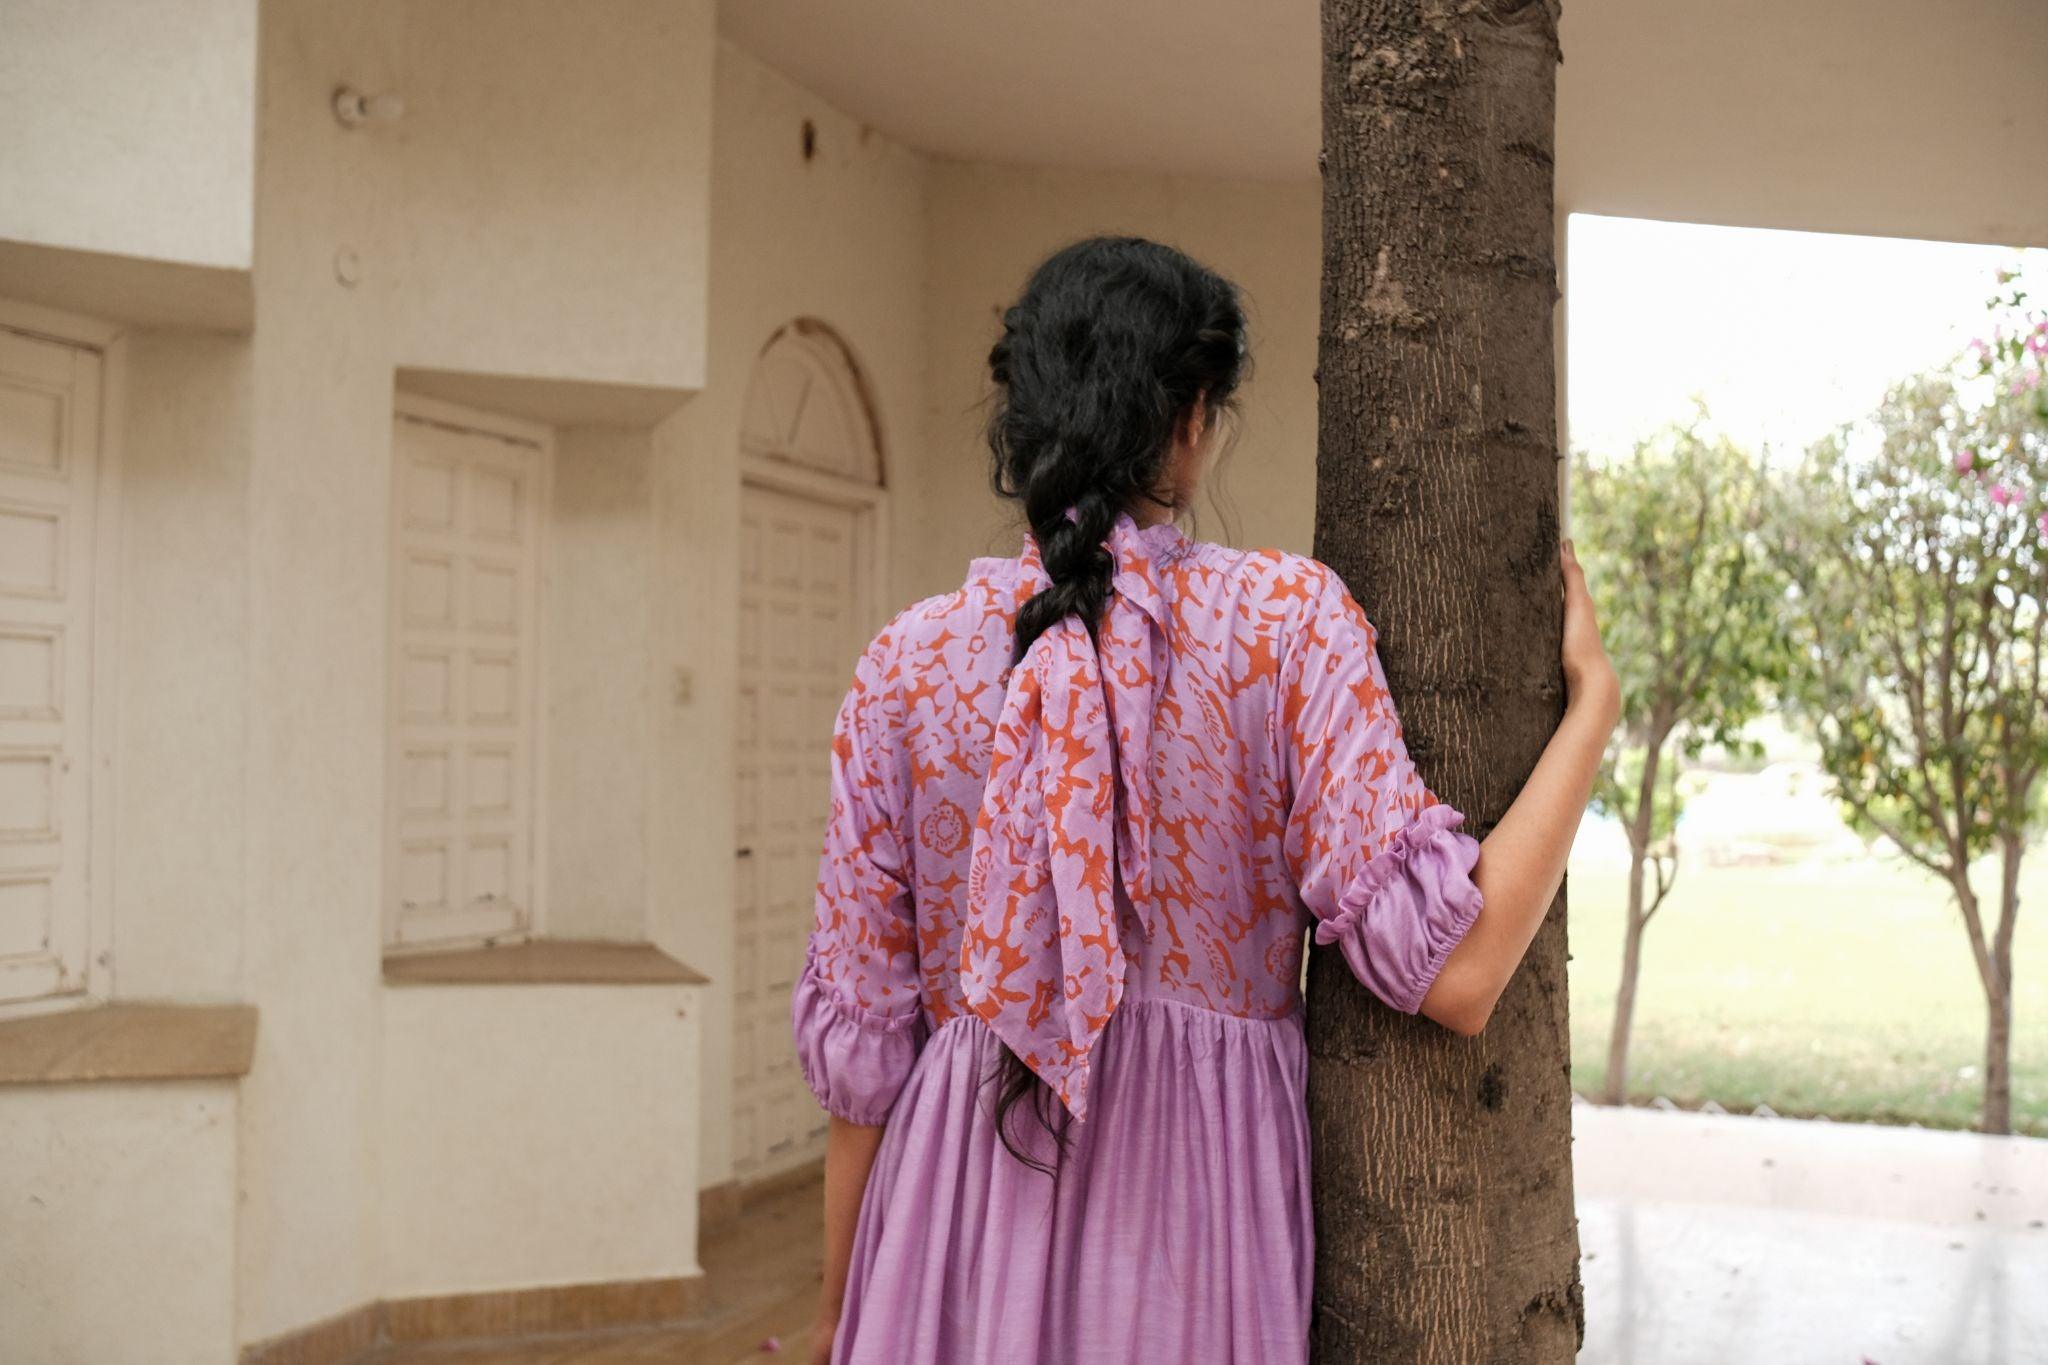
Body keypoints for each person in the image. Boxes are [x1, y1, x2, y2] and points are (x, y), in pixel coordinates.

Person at [790, 235, 1619, 1365]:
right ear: (1191, 421)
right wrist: (1589, 716)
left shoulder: (905, 666)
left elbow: (865, 1066)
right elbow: (1459, 973)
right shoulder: (1284, 626)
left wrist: (843, 1313)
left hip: (950, 1238)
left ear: (1019, 419)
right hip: (1191, 1229)